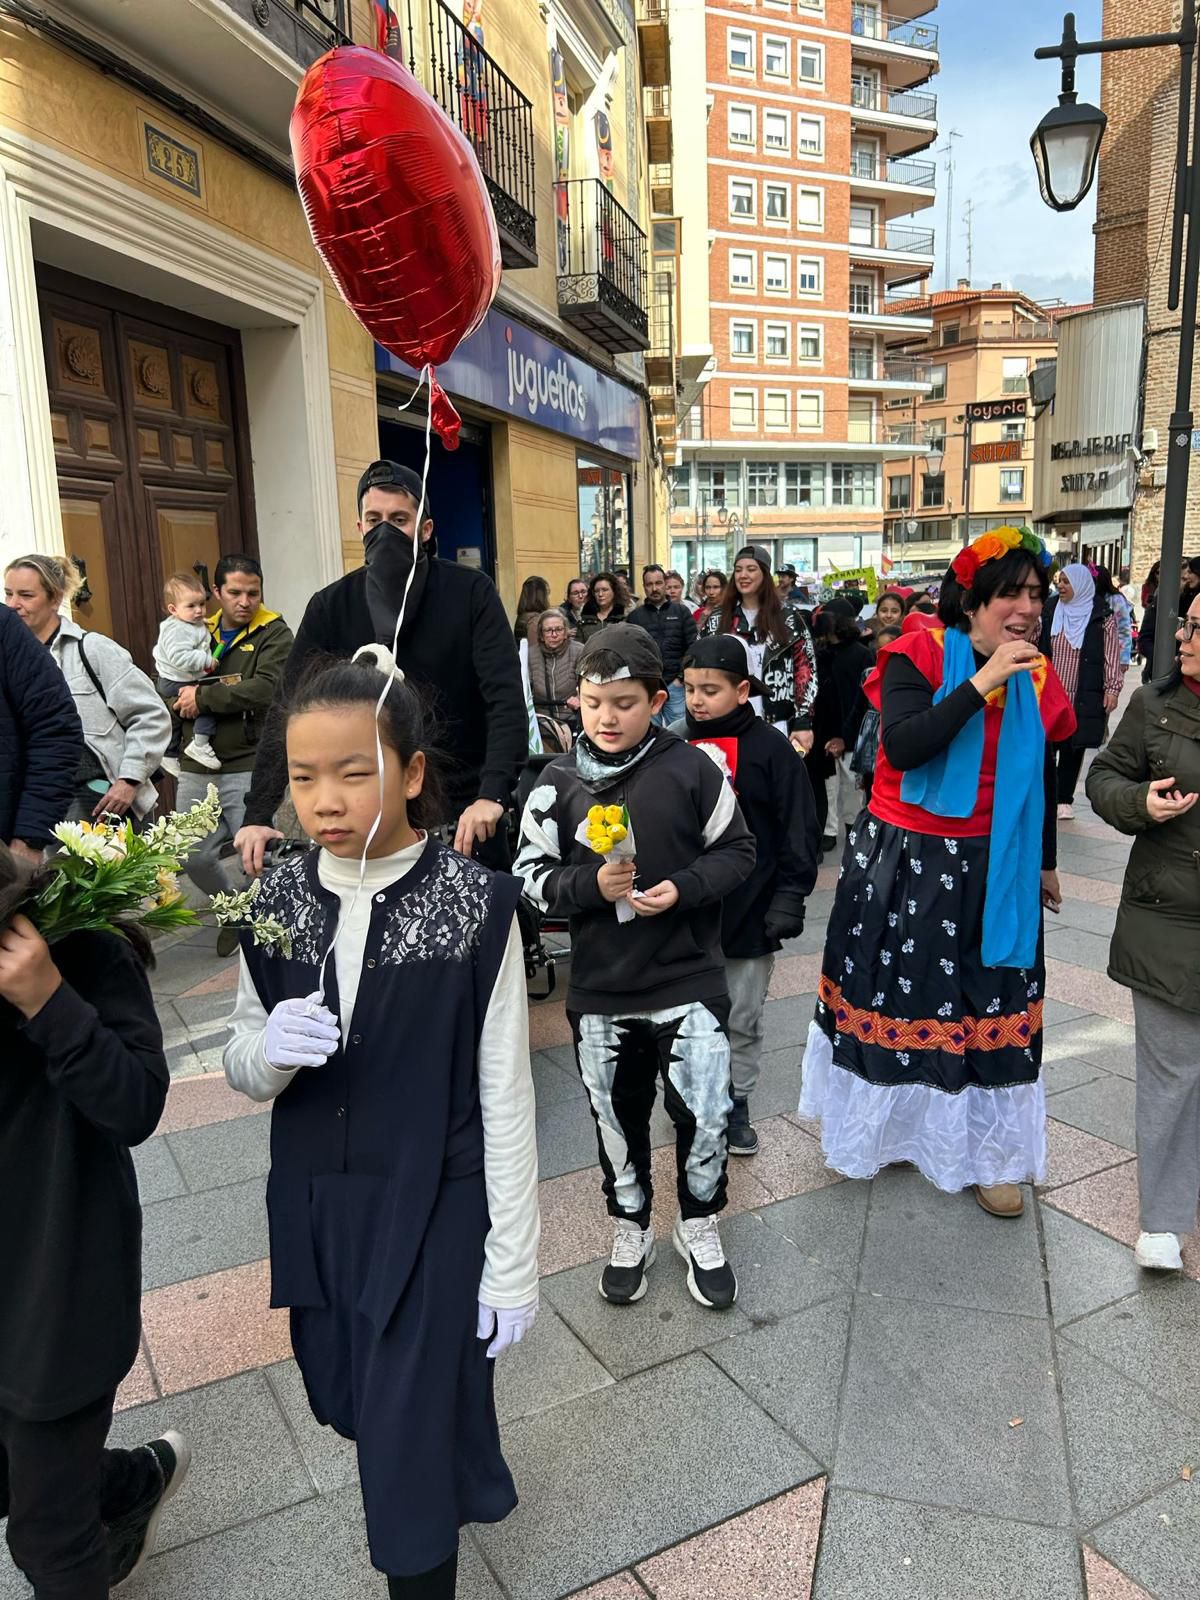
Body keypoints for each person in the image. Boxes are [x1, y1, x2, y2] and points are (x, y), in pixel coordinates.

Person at [224, 645, 538, 1600]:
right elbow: (244, 1063)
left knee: (403, 1444)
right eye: (305, 775)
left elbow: (506, 1093)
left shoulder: (477, 905)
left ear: (409, 774)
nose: (323, 799)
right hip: (318, 1205)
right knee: (348, 1395)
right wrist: (271, 1047)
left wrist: (514, 1261)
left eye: (353, 773)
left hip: (433, 1206)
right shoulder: (275, 896)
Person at [800, 526, 1076, 1217]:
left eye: (1035, 594)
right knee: (899, 998)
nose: (1025, 608)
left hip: (996, 860)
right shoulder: (916, 651)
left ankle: (992, 1156)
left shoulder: (1037, 671)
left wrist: (1043, 860)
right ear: (973, 600)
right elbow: (906, 743)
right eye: (1009, 593)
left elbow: (1039, 768)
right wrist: (982, 681)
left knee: (991, 1002)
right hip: (908, 857)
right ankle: (888, 1130)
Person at [515, 624, 755, 1310]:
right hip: (601, 988)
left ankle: (700, 1222)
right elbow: (528, 876)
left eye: (624, 702)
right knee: (617, 1123)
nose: (607, 717)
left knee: (706, 1113)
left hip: (687, 979)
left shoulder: (692, 768)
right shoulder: (556, 781)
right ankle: (631, 1227)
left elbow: (737, 850)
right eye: (594, 703)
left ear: (658, 700)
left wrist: (683, 887)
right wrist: (590, 889)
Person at [0, 844, 189, 1597]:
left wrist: (49, 1002)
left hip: (59, 1285)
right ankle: (126, 1482)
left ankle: (95, 1499)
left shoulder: (72, 945)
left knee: (47, 1536)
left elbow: (134, 1104)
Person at [234, 461, 527, 877]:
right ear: (359, 527)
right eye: (374, 519)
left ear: (425, 529)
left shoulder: (470, 592)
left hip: (462, 814)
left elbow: (505, 700)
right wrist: (258, 813)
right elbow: (288, 709)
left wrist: (492, 795)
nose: (384, 531)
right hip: (364, 819)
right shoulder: (331, 605)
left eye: (399, 519)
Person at [1086, 592, 1200, 1271]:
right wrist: (1140, 802)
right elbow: (1103, 776)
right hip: (1166, 917)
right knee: (1171, 1072)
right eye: (1184, 623)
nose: (1182, 637)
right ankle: (1163, 1220)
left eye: (1196, 627)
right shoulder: (1154, 704)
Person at [680, 635, 819, 1156]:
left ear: (742, 690)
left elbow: (797, 829)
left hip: (750, 907)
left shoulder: (773, 750)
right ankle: (691, 1099)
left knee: (740, 1013)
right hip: (684, 908)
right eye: (690, 688)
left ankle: (735, 1101)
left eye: (710, 690)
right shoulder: (673, 742)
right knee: (687, 1014)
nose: (697, 700)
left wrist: (790, 897)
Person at [5, 554, 170, 831]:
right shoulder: (8, 661)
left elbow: (151, 715)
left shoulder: (91, 649)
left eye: (26, 595)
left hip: (98, 798)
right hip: (35, 802)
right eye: (8, 594)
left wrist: (129, 780)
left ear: (55, 598)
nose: (13, 605)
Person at [169, 554, 293, 894]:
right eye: (235, 592)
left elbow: (266, 688)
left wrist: (203, 698)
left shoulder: (275, 633)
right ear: (216, 592)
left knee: (258, 858)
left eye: (253, 593)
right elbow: (170, 678)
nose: (245, 602)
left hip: (247, 762)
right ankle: (233, 912)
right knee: (191, 856)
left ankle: (270, 925)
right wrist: (178, 701)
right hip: (197, 766)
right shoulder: (195, 629)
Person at [702, 544, 817, 754]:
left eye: (751, 569)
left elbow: (805, 671)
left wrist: (803, 721)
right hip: (729, 718)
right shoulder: (719, 619)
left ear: (764, 574)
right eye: (738, 570)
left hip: (777, 721)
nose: (743, 575)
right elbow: (701, 667)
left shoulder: (789, 618)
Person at [1039, 562, 1122, 821]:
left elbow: (1111, 654)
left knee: (1073, 747)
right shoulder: (1050, 609)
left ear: (1081, 585)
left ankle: (1064, 799)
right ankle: (1045, 795)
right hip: (1049, 691)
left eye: (1067, 581)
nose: (1060, 586)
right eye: (1059, 581)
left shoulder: (1101, 615)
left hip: (1082, 693)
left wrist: (1112, 688)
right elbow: (1034, 640)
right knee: (1046, 744)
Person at [0, 602, 81, 862]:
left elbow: (54, 728)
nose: (16, 602)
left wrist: (29, 838)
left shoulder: (4, 628)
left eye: (26, 594)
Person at [810, 600, 873, 853]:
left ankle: (853, 828)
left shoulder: (861, 653)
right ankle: (828, 830)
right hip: (821, 728)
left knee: (851, 784)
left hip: (852, 729)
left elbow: (863, 698)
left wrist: (846, 735)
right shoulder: (818, 652)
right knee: (828, 783)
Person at [154, 571, 221, 775]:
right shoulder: (178, 630)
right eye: (191, 606)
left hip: (174, 678)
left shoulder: (189, 623)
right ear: (173, 609)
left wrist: (204, 624)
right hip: (176, 679)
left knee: (174, 716)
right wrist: (207, 660)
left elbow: (196, 631)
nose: (199, 611)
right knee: (208, 702)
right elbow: (180, 657)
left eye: (202, 604)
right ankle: (199, 743)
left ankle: (169, 753)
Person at [627, 563, 698, 727]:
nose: (654, 588)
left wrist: (681, 678)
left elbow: (693, 646)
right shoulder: (635, 617)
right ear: (644, 587)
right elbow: (631, 653)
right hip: (648, 685)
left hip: (676, 685)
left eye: (658, 583)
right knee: (649, 734)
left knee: (681, 731)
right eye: (649, 584)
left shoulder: (681, 612)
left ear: (665, 584)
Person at [527, 609, 583, 746]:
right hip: (542, 724)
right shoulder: (530, 655)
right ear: (541, 635)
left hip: (572, 720)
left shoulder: (579, 651)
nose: (554, 634)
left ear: (565, 633)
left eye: (558, 629)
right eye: (548, 631)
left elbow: (589, 683)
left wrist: (579, 697)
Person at [1095, 563, 1134, 670]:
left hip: (1113, 654)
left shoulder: (1116, 600)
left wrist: (1124, 659)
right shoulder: (1088, 599)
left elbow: (1124, 630)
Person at [577, 571, 628, 641]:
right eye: (597, 591)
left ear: (614, 591)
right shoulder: (584, 618)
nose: (600, 594)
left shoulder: (625, 617)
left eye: (605, 590)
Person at [514, 576, 551, 645]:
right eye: (547, 593)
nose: (548, 598)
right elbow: (536, 650)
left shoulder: (523, 616)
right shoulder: (535, 621)